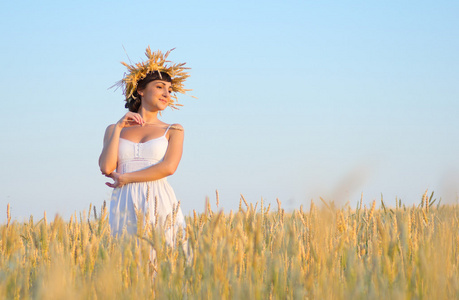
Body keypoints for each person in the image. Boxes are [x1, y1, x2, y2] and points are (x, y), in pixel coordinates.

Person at [99, 47, 190, 246]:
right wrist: (120, 126)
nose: (166, 93)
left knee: (164, 257)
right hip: (124, 200)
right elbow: (106, 168)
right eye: (159, 87)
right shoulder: (114, 129)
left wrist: (126, 178)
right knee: (128, 263)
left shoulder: (174, 130)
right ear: (140, 90)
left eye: (169, 90)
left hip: (159, 199)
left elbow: (169, 168)